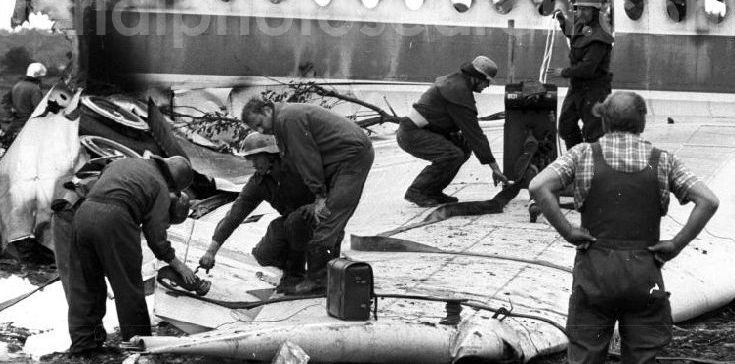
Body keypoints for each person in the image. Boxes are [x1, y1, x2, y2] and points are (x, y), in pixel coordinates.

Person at [528, 91, 719, 364]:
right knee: (642, 353)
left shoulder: (582, 154)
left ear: (604, 122)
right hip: (644, 270)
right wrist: (676, 244)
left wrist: (569, 231)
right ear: (641, 123)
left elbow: (538, 186)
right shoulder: (663, 160)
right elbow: (708, 201)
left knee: (585, 352)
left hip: (595, 270)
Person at [66, 155, 198, 357]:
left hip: (83, 215)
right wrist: (178, 264)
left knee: (86, 286)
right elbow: (156, 237)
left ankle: (84, 347)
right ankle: (139, 348)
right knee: (128, 288)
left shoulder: (123, 161)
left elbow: (100, 183)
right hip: (116, 219)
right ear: (175, 184)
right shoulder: (160, 186)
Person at [241, 98, 374, 294]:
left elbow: (307, 158)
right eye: (256, 128)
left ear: (268, 111)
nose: (260, 131)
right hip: (339, 159)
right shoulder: (282, 125)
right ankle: (325, 274)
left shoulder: (288, 119)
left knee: (327, 215)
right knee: (320, 218)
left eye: (260, 124)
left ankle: (319, 280)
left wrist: (320, 197)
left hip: (351, 158)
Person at [199, 133, 316, 294]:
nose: (253, 164)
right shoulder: (259, 182)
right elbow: (234, 215)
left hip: (322, 222)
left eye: (256, 158)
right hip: (294, 224)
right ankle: (293, 268)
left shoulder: (297, 166)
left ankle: (296, 276)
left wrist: (318, 204)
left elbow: (333, 183)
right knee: (263, 254)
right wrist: (210, 252)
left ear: (271, 155)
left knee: (296, 220)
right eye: (250, 159)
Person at [396, 55, 509, 207]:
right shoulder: (458, 92)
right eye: (486, 81)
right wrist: (495, 168)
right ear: (476, 78)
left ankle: (433, 191)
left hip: (420, 130)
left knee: (463, 148)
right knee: (452, 154)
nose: (488, 85)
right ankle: (417, 191)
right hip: (412, 133)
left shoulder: (457, 83)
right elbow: (475, 135)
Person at [546, 0, 614, 148]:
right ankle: (578, 159)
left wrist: (563, 72)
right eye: (579, 8)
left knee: (594, 133)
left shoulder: (600, 36)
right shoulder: (583, 26)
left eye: (585, 9)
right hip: (577, 88)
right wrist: (563, 22)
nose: (580, 13)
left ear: (595, 11)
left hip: (595, 90)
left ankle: (593, 166)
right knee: (565, 126)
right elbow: (575, 35)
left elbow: (587, 68)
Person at [2, 62, 47, 138]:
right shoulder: (35, 89)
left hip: (14, 124)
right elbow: (39, 111)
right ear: (38, 77)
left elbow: (5, 101)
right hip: (27, 125)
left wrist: (12, 112)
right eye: (41, 77)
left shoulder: (17, 85)